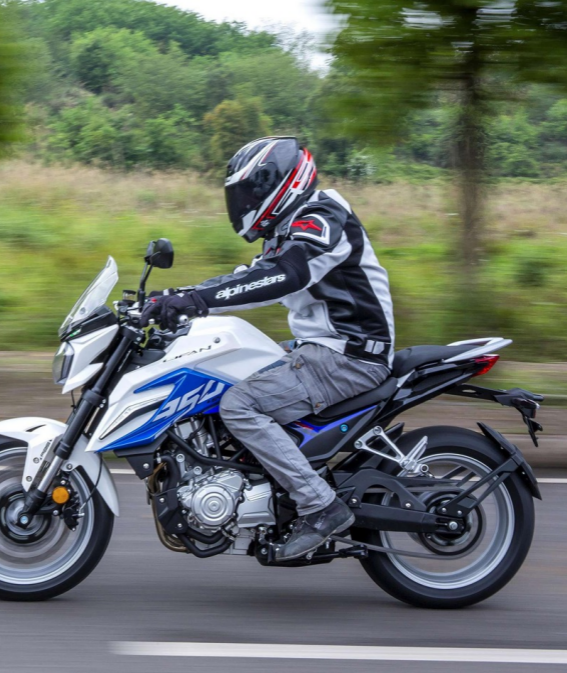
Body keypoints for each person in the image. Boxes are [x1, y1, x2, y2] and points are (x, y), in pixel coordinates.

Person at [142, 137, 395, 561]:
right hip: (320, 347)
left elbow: (284, 275)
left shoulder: (321, 216)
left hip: (351, 355)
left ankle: (321, 507)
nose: (243, 203)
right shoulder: (289, 228)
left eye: (250, 192)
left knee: (241, 404)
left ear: (281, 183)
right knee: (219, 372)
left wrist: (196, 301)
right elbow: (252, 277)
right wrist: (178, 296)